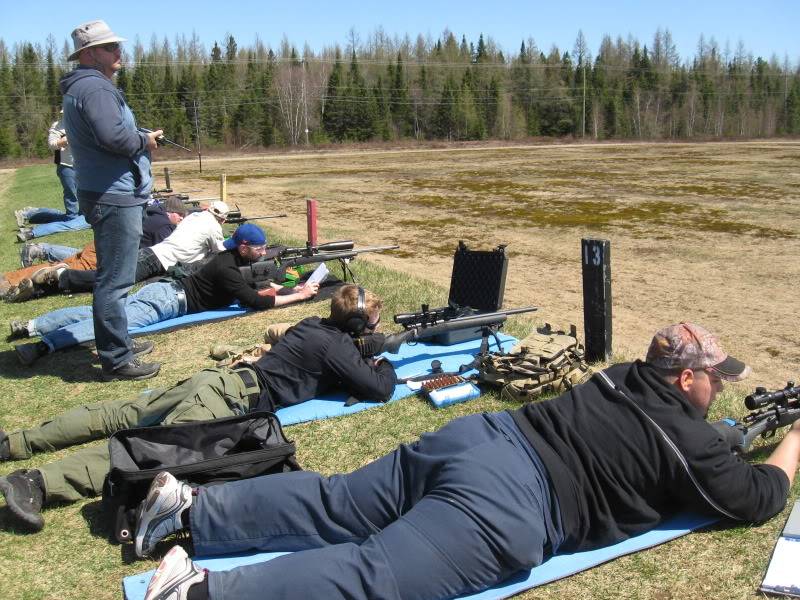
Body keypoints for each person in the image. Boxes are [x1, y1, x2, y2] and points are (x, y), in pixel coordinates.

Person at [132, 322, 799, 600]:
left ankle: (190, 510)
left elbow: (684, 442)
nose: (722, 387)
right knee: (374, 575)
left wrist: (727, 434)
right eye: (717, 377)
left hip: (476, 439)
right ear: (687, 381)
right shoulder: (691, 445)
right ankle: (198, 593)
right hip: (509, 504)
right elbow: (760, 495)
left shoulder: (622, 374)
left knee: (338, 501)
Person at [0, 284, 395, 532]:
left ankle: (15, 442)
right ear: (358, 326)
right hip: (229, 398)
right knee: (151, 451)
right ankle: (35, 483)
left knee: (121, 414)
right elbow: (377, 389)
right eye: (371, 326)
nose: (373, 331)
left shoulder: (312, 323)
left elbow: (320, 354)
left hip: (215, 380)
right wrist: (382, 361)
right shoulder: (339, 346)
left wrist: (360, 349)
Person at [9, 224, 318, 367]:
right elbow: (256, 302)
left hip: (164, 292)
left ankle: (33, 325)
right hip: (168, 302)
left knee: (99, 311)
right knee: (112, 323)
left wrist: (281, 287)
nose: (264, 252)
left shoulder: (229, 261)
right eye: (261, 248)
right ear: (244, 247)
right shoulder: (226, 268)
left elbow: (250, 289)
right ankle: (43, 345)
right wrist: (299, 296)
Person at [61, 19, 163, 380]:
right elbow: (113, 138)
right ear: (89, 54)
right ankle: (117, 359)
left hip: (103, 190)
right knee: (115, 280)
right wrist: (144, 141)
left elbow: (108, 132)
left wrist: (134, 134)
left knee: (113, 275)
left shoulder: (84, 87)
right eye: (110, 47)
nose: (118, 51)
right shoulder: (95, 88)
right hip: (114, 194)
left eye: (117, 45)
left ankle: (118, 341)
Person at [17, 200, 226, 300]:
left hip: (150, 254)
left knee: (110, 279)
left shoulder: (195, 217)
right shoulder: (214, 227)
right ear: (222, 219)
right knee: (112, 281)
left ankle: (42, 288)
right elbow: (220, 250)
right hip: (157, 259)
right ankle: (64, 276)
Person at [13, 113, 91, 241]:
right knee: (72, 202)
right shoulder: (58, 125)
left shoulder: (83, 124)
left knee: (80, 210)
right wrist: (66, 140)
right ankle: (31, 225)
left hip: (83, 166)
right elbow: (52, 144)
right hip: (66, 166)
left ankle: (30, 213)